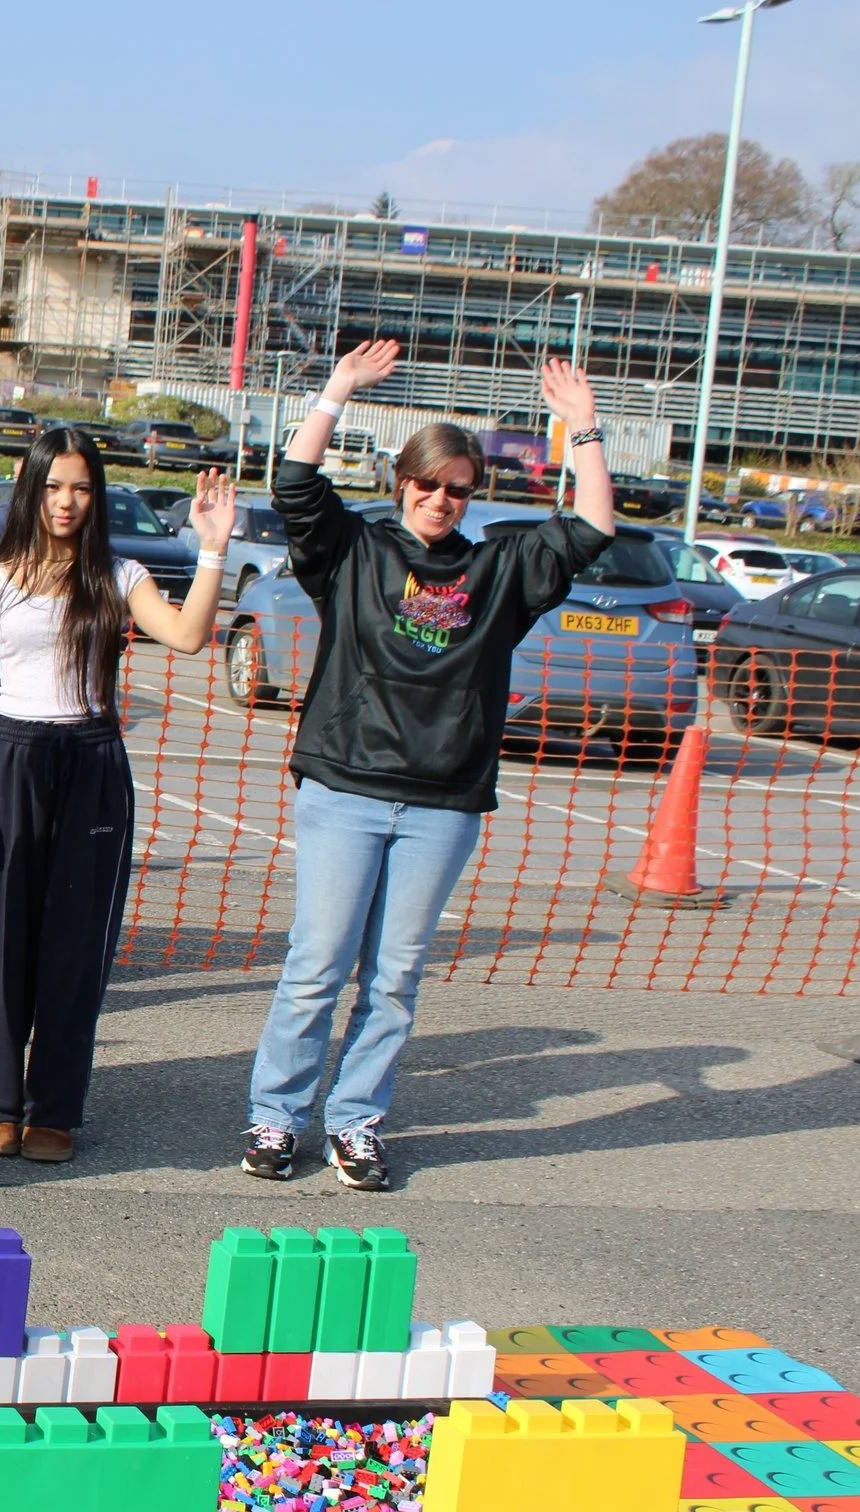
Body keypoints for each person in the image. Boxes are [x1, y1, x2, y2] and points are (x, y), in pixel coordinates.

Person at [243, 345, 615, 1191]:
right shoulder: (355, 554)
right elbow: (296, 484)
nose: (441, 499)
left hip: (443, 805)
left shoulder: (499, 570)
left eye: (459, 488)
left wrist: (584, 426)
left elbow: (594, 526)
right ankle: (274, 1118)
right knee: (317, 964)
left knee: (396, 977)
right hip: (346, 789)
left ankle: (356, 1123)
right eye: (428, 482)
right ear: (402, 479)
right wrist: (338, 388)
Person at [0, 435, 231, 1162]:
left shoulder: (119, 573)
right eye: (53, 487)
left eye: (80, 488)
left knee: (76, 949)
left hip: (92, 759)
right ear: (32, 490)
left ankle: (55, 1107)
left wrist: (211, 548)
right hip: (9, 758)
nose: (66, 502)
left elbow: (190, 636)